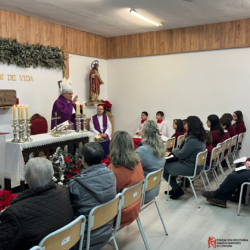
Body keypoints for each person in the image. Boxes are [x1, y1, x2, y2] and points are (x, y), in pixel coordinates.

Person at [0, 158, 74, 250]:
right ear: (51, 176)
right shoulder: (63, 191)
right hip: (67, 245)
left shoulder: (14, 213)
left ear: (26, 179)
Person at [69, 142, 116, 250]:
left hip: (84, 239)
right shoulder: (111, 174)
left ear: (83, 160)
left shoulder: (76, 183)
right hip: (107, 231)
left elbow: (72, 212)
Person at [163, 116, 206, 199]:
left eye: (186, 124)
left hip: (189, 166)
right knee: (168, 164)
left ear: (191, 126)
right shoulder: (200, 136)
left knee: (164, 168)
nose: (185, 126)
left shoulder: (192, 140)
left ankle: (177, 190)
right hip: (195, 165)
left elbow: (180, 154)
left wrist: (175, 150)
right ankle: (175, 188)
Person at [108, 131, 144, 226]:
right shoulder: (137, 162)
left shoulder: (112, 169)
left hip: (120, 214)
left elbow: (109, 196)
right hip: (136, 206)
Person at [135, 120, 165, 203]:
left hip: (142, 193)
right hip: (154, 188)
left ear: (144, 132)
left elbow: (131, 170)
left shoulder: (143, 151)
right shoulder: (161, 146)